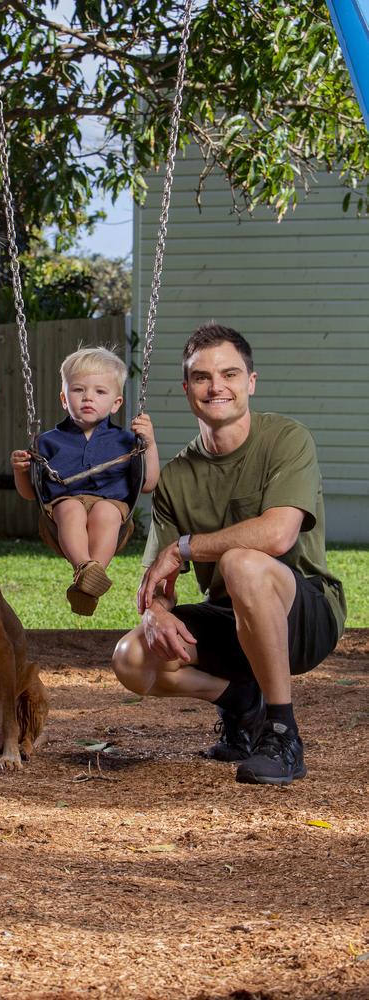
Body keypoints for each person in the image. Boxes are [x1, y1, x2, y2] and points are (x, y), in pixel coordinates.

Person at [111, 324, 346, 786]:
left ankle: (283, 734)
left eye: (230, 374)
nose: (216, 386)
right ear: (187, 389)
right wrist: (156, 613)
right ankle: (241, 701)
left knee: (241, 561)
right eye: (202, 377)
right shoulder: (176, 476)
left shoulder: (286, 439)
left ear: (250, 383)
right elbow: (157, 579)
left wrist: (187, 548)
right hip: (230, 617)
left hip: (304, 613)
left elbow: (278, 535)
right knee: (131, 657)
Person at [11, 347, 159, 615]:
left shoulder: (127, 441)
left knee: (105, 511)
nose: (88, 397)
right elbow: (30, 494)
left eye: (100, 392)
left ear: (116, 403)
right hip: (63, 506)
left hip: (111, 505)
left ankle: (91, 579)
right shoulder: (46, 441)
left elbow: (148, 483)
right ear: (64, 399)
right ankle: (85, 568)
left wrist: (149, 442)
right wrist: (21, 471)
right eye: (79, 390)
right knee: (71, 508)